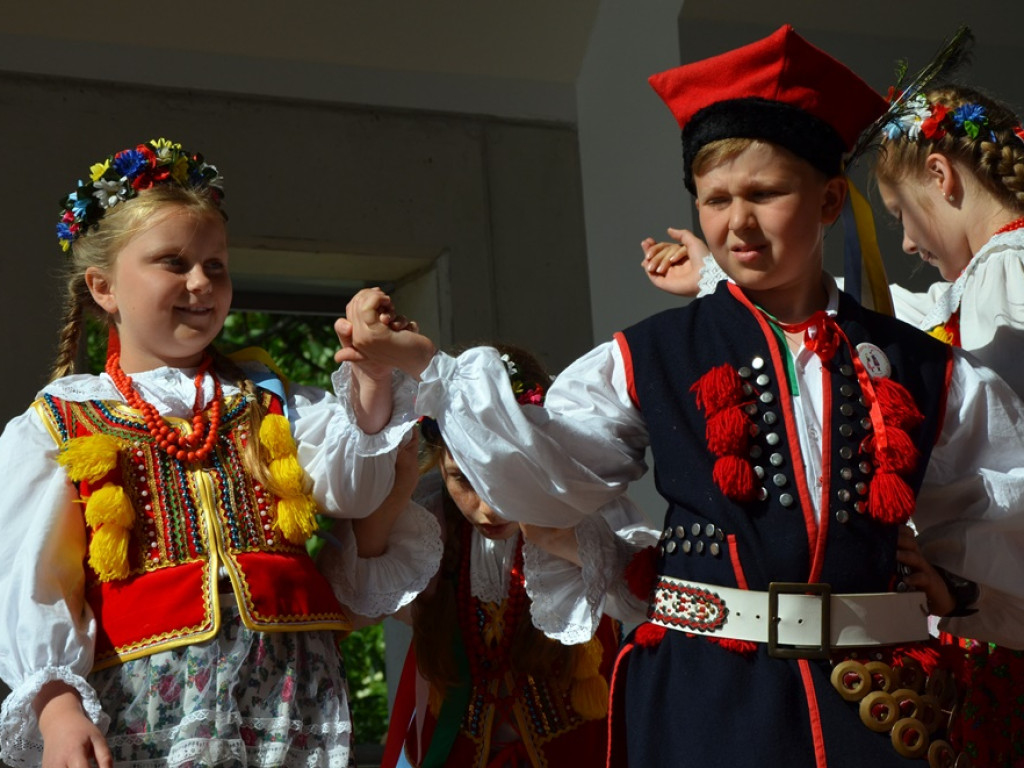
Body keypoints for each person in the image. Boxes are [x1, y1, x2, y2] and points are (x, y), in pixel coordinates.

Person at [336, 25, 1024, 768]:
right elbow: (546, 476)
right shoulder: (650, 355)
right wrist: (433, 369)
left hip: (881, 712)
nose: (738, 222)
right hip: (708, 706)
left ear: (830, 200)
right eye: (715, 199)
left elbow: (1000, 499)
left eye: (765, 193)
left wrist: (956, 588)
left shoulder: (922, 364)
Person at [0, 139, 439, 768]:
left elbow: (355, 490)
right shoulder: (61, 420)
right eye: (173, 263)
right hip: (150, 705)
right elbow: (34, 584)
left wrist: (371, 378)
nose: (201, 283)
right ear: (103, 287)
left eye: (216, 266)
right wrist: (57, 708)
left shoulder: (268, 398)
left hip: (292, 691)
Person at [381, 343, 649, 768]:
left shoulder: (592, 520)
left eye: (506, 479)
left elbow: (648, 594)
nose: (488, 508)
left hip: (575, 753)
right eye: (463, 480)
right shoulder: (430, 528)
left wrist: (564, 540)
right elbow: (365, 596)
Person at [872, 83, 1024, 768]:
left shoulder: (1005, 272)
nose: (906, 241)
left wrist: (964, 585)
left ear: (941, 175)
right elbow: (901, 316)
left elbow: (1005, 451)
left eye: (901, 214)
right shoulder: (994, 275)